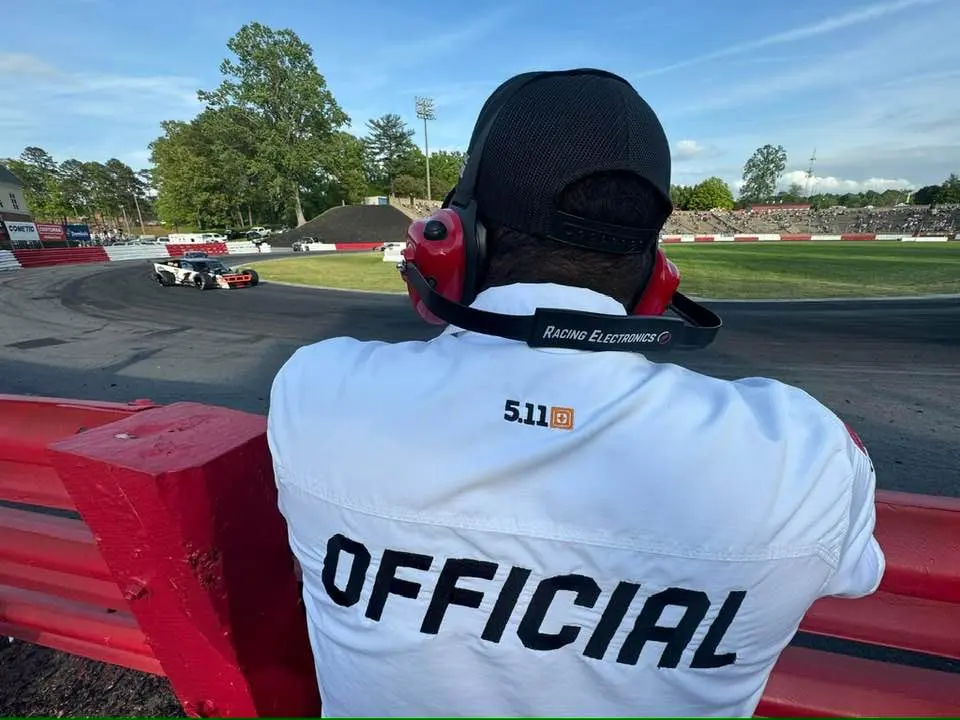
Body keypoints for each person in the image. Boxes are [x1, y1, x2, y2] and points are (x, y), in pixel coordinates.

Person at [267, 68, 884, 718]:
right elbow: (856, 574)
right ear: (657, 283)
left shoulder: (317, 390)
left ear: (452, 246)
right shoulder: (803, 456)